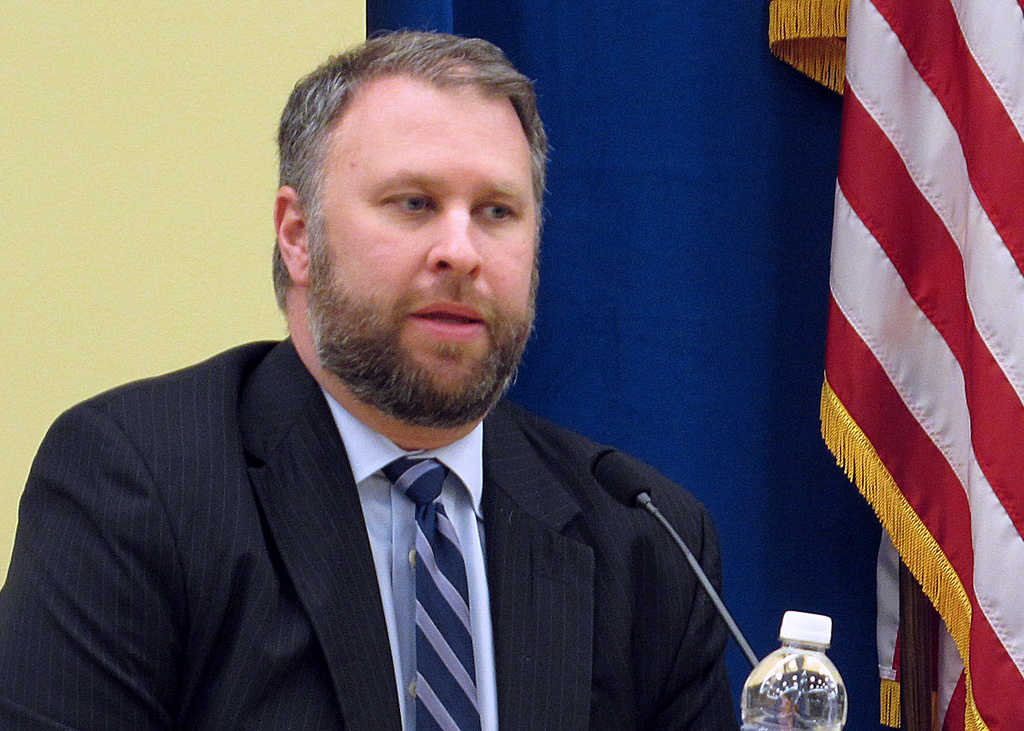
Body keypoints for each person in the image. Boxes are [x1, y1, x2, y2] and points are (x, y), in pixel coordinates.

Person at [0, 31, 737, 730]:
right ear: (298, 236)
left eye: (497, 212)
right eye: (414, 203)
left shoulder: (647, 542)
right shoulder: (135, 485)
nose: (461, 251)